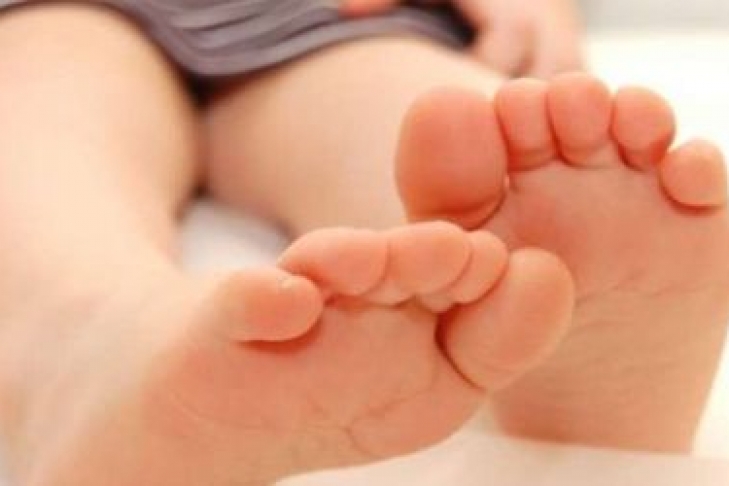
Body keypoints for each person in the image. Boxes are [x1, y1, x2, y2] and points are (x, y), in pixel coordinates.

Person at [0, 1, 726, 485]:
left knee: (441, 123)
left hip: (332, 15)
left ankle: (541, 292)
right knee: (42, 94)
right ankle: (90, 342)